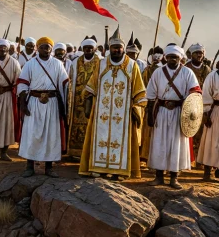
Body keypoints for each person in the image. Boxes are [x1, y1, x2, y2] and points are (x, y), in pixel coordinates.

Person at [79, 32, 146, 179]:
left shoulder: (132, 65)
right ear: (110, 48)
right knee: (100, 137)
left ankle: (119, 171)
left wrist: (137, 108)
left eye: (119, 47)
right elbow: (91, 85)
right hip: (101, 112)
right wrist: (88, 103)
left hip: (123, 114)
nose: (117, 50)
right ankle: (100, 168)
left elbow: (140, 91)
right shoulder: (101, 64)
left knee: (120, 140)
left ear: (123, 48)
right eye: (114, 47)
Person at [146, 43, 200, 187]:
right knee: (159, 143)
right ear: (166, 57)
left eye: (175, 57)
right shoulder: (158, 72)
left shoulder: (187, 73)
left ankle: (174, 178)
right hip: (162, 112)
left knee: (176, 144)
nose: (172, 59)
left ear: (180, 58)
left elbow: (195, 92)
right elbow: (150, 95)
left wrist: (188, 106)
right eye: (170, 57)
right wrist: (150, 114)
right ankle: (159, 176)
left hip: (179, 112)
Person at [15, 38, 70, 178]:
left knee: (51, 134)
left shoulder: (57, 64)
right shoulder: (30, 64)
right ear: (37, 48)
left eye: (48, 47)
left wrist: (65, 104)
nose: (46, 50)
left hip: (52, 103)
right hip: (34, 102)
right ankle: (29, 166)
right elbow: (22, 84)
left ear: (52, 49)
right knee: (32, 133)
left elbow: (65, 84)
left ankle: (49, 167)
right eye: (43, 47)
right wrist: (23, 103)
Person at [66, 39, 101, 162]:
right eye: (86, 47)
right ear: (82, 48)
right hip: (77, 100)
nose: (88, 49)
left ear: (95, 49)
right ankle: (75, 152)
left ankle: (90, 153)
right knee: (76, 126)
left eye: (91, 47)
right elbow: (71, 79)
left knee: (92, 125)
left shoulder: (100, 62)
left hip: (93, 99)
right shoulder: (76, 62)